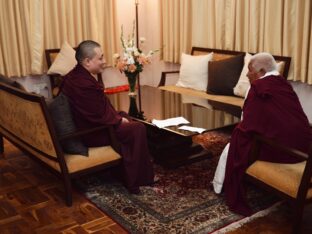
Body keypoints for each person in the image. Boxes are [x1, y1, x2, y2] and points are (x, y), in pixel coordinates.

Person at [212, 52, 311, 216]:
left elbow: (249, 124)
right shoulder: (283, 84)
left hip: (284, 151)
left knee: (234, 145)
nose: (246, 74)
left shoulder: (258, 88)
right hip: (303, 146)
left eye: (249, 70)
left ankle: (219, 186)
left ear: (262, 72)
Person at [60, 40, 155, 194]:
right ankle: (136, 179)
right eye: (101, 58)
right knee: (137, 128)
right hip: (92, 133)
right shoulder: (83, 83)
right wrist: (117, 120)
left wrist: (119, 117)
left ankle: (126, 169)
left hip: (86, 125)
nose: (104, 62)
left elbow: (95, 110)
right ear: (87, 61)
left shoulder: (74, 75)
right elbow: (97, 115)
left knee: (126, 115)